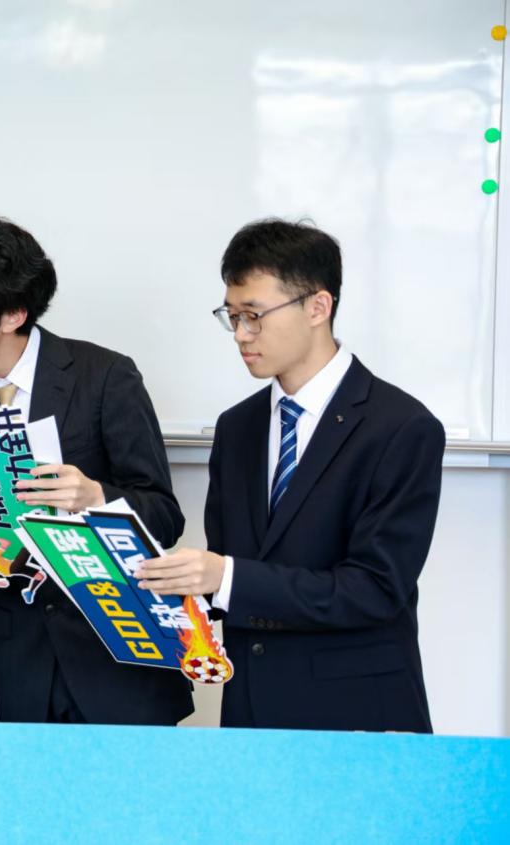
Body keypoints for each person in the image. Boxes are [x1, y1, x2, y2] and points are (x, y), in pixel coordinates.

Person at [136, 219, 444, 732]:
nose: (241, 335)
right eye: (232, 317)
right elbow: (232, 571)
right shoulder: (237, 427)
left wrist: (224, 576)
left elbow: (374, 589)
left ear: (318, 307)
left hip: (358, 715)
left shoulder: (402, 427)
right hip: (251, 712)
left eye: (254, 316)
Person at [0, 213, 190, 724]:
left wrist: (95, 498)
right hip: (25, 661)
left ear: (13, 314)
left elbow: (165, 517)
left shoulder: (104, 376)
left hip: (122, 649)